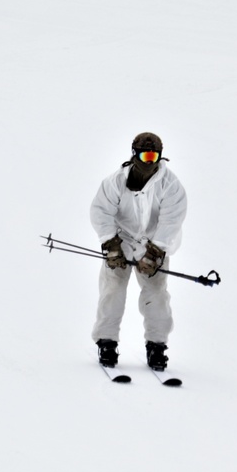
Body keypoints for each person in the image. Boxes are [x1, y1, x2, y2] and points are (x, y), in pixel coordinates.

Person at [90, 132, 188, 371]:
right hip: (121, 241)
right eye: (145, 155)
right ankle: (107, 341)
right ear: (134, 154)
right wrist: (111, 244)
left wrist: (155, 252)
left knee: (156, 293)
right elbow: (101, 211)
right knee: (112, 289)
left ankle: (156, 346)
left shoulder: (171, 185)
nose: (149, 161)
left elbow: (172, 220)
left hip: (154, 244)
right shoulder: (115, 182)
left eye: (154, 155)